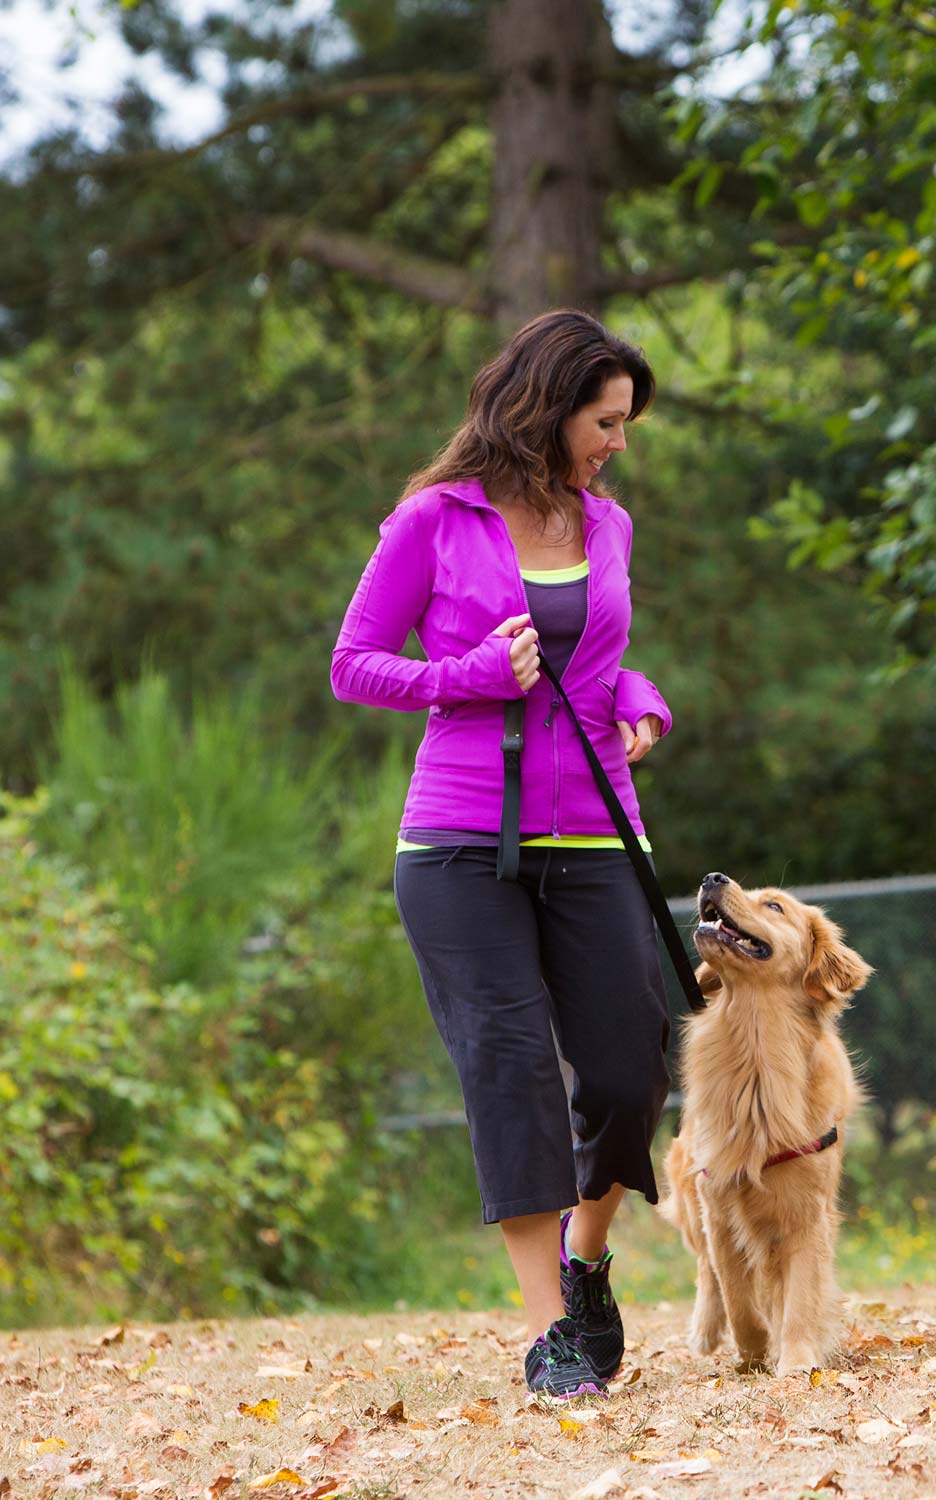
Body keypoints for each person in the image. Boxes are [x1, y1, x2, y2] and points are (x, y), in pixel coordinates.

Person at [330, 310, 673, 1398]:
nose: (616, 441)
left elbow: (603, 663)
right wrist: (462, 675)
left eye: (622, 423)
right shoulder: (432, 520)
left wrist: (644, 702)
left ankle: (586, 1262)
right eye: (604, 421)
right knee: (512, 1072)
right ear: (549, 407)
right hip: (457, 842)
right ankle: (550, 1339)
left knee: (630, 1065)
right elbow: (354, 663)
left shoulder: (605, 525)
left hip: (594, 830)